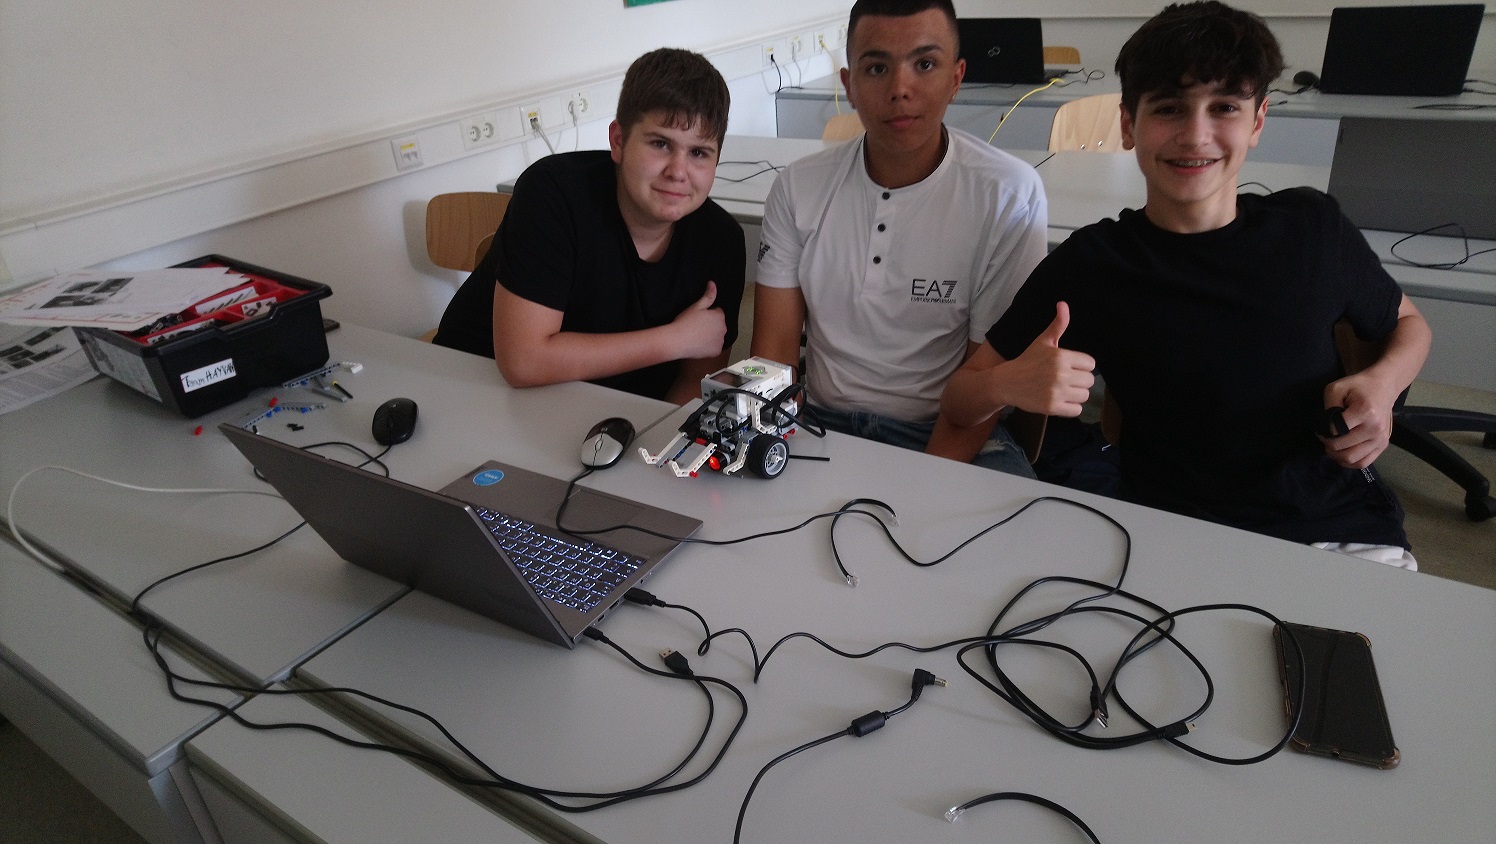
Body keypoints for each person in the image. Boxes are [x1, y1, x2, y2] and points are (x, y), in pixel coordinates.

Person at [939, 1, 1431, 566]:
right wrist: (1006, 384)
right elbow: (960, 398)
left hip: (1334, 529)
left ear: (1257, 122)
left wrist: (1382, 387)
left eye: (1224, 107)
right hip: (1171, 535)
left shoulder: (1310, 228)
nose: (1196, 136)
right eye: (1169, 108)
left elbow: (1408, 324)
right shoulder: (1094, 264)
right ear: (1128, 125)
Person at [750, 0, 1048, 476]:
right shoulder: (797, 187)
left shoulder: (1007, 195)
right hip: (819, 422)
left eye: (925, 64)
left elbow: (983, 379)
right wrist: (770, 445)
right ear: (849, 85)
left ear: (956, 78)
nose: (900, 89)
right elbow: (775, 354)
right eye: (876, 68)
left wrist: (919, 491)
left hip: (945, 428)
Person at [433, 48, 745, 404]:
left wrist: (661, 439)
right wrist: (673, 340)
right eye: (660, 144)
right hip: (475, 389)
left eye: (699, 153)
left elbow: (694, 386)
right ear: (618, 142)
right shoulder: (553, 194)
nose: (678, 171)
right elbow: (523, 362)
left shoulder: (722, 242)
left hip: (604, 414)